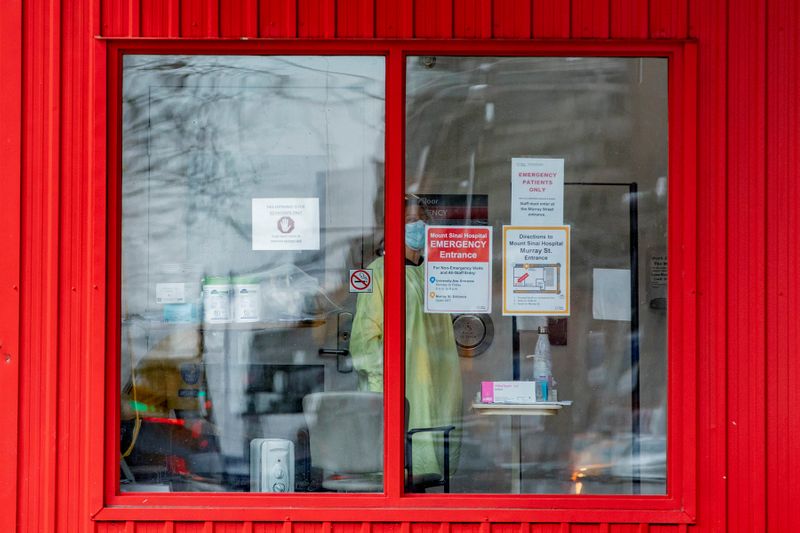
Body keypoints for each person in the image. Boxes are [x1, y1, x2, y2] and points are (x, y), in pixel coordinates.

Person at [349, 196, 462, 479]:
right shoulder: (379, 273)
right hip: (400, 385)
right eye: (410, 221)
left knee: (431, 464)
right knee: (400, 468)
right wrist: (382, 384)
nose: (419, 226)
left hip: (438, 380)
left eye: (422, 220)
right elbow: (364, 339)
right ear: (392, 226)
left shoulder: (435, 271)